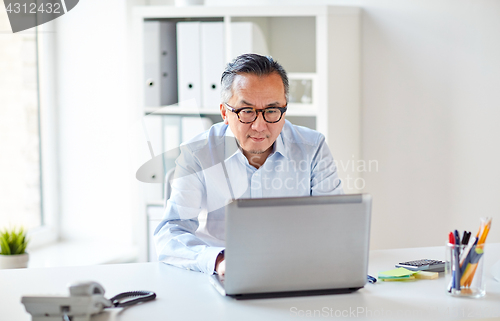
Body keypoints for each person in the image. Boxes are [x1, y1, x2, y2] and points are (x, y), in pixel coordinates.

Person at [154, 54, 343, 276]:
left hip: (296, 272)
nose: (259, 126)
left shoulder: (312, 147)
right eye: (247, 111)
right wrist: (219, 261)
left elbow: (334, 224)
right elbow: (171, 231)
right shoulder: (198, 153)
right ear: (225, 112)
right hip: (224, 273)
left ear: (284, 110)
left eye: (272, 110)